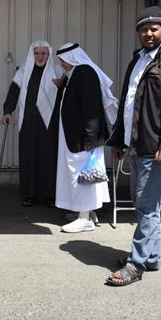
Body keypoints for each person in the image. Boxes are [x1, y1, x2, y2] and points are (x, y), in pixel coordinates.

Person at [105, 6, 161, 286]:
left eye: (154, 28)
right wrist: (119, 139)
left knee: (146, 205)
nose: (148, 33)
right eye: (143, 29)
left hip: (156, 148)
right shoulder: (138, 60)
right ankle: (151, 257)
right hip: (136, 144)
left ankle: (137, 263)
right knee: (146, 205)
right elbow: (127, 103)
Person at [53, 42, 118, 233]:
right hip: (76, 136)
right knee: (78, 175)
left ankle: (85, 219)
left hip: (83, 138)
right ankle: (85, 212)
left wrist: (90, 138)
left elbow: (91, 108)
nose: (62, 64)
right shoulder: (75, 74)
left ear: (71, 58)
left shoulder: (84, 73)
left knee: (83, 176)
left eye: (62, 61)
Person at [2, 41, 62, 206]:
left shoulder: (57, 70)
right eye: (37, 53)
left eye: (43, 53)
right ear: (32, 54)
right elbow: (13, 92)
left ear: (48, 55)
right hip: (28, 121)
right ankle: (30, 194)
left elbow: (67, 93)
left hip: (50, 123)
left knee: (49, 157)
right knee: (29, 155)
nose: (40, 57)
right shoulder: (24, 70)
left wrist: (62, 85)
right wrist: (8, 111)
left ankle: (51, 195)